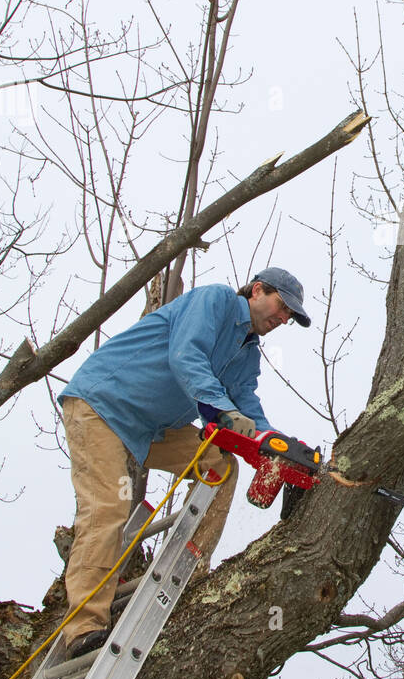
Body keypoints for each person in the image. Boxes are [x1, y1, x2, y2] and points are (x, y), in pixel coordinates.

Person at [57, 267, 311, 659]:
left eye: (289, 318)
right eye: (281, 308)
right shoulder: (216, 301)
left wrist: (273, 443)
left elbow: (246, 400)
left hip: (150, 427)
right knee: (106, 509)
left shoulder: (247, 352)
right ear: (257, 290)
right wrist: (222, 410)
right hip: (102, 406)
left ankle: (189, 570)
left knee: (220, 465)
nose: (282, 320)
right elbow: (186, 354)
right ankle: (84, 628)